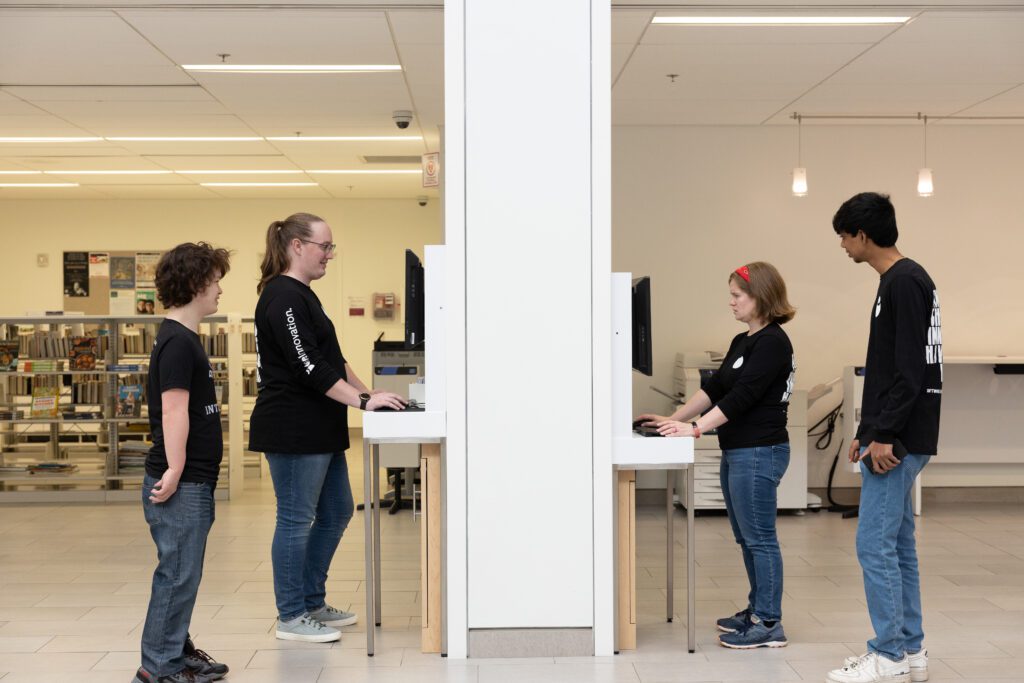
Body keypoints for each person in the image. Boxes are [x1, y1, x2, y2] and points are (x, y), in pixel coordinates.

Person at [249, 212, 406, 643]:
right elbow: (306, 365)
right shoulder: (282, 297)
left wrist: (369, 394)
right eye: (325, 246)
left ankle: (312, 600)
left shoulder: (304, 296)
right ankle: (291, 615)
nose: (329, 256)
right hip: (293, 427)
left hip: (319, 425)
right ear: (296, 246)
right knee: (296, 519)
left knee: (336, 511)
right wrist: (360, 401)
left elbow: (333, 360)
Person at [636, 261, 796, 650]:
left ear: (761, 297)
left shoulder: (773, 342)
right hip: (739, 450)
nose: (731, 303)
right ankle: (757, 608)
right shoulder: (743, 342)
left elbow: (742, 398)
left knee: (760, 539)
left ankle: (769, 622)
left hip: (760, 451)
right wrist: (671, 420)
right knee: (747, 537)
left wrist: (693, 431)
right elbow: (718, 388)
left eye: (737, 296)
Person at [825, 192, 942, 683]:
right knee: (897, 544)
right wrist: (866, 430)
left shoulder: (904, 282)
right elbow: (890, 366)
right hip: (892, 433)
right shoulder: (898, 281)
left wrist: (886, 436)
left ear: (863, 235)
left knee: (874, 545)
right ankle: (910, 652)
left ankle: (888, 655)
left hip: (901, 439)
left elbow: (911, 372)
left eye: (844, 237)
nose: (843, 247)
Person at [134, 242, 231, 683]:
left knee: (183, 575)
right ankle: (158, 668)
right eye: (214, 281)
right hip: (182, 482)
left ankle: (177, 650)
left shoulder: (184, 338)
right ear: (194, 285)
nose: (219, 290)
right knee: (176, 576)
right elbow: (173, 411)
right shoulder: (177, 343)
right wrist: (174, 469)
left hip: (193, 480)